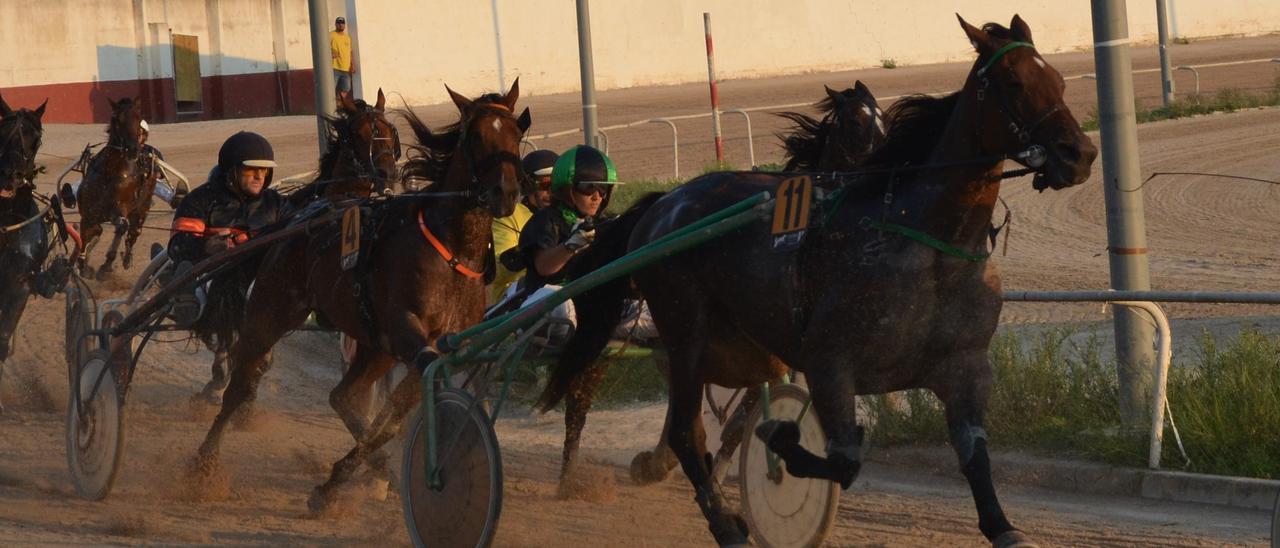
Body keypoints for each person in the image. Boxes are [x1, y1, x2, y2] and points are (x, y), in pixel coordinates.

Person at [167, 131, 286, 326]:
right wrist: (206, 246)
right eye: (251, 169)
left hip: (259, 273)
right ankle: (187, 298)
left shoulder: (276, 203)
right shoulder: (199, 200)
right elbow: (178, 245)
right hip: (211, 273)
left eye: (264, 170)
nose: (259, 176)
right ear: (233, 170)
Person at [490, 149, 557, 303]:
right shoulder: (509, 216)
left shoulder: (565, 215)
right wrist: (528, 253)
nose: (552, 192)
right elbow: (497, 270)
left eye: (557, 185)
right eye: (546, 185)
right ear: (528, 187)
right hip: (514, 297)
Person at [330, 16, 355, 97]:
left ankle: (338, 105)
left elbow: (350, 52)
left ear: (344, 25)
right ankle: (330, 107)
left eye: (342, 23)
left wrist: (352, 65)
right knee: (330, 89)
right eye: (339, 23)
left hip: (346, 69)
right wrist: (330, 53)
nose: (340, 25)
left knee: (346, 88)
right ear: (335, 24)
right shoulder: (330, 35)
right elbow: (323, 47)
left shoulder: (347, 37)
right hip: (334, 67)